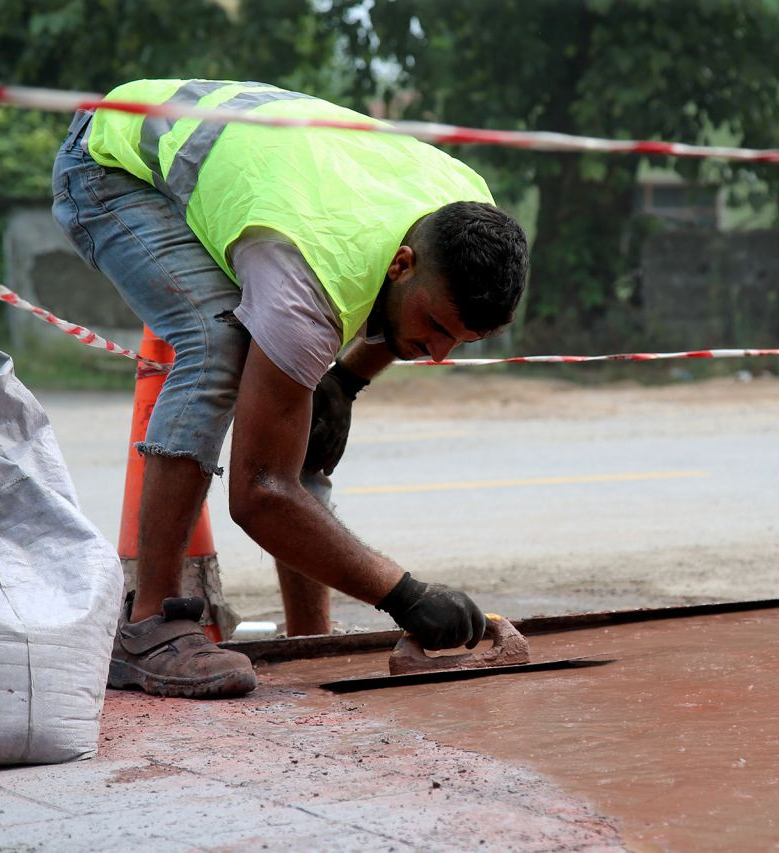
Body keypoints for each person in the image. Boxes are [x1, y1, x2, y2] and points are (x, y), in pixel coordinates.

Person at [51, 79, 529, 698]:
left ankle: (310, 637)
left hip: (261, 166)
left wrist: (347, 381)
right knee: (219, 344)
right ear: (401, 264)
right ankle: (146, 629)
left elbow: (391, 307)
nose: (437, 355)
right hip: (110, 162)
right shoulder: (310, 280)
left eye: (459, 343)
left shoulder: (466, 213)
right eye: (435, 329)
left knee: (298, 400)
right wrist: (404, 596)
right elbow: (259, 493)